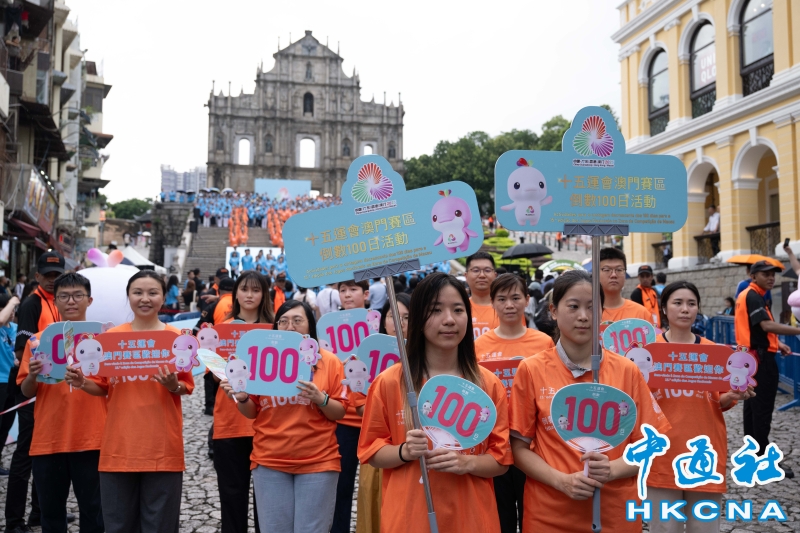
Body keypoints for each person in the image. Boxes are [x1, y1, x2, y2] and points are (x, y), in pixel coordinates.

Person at [509, 270, 670, 532]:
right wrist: (561, 481)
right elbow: (518, 448)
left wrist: (613, 469)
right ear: (553, 311)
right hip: (548, 514)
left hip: (614, 514)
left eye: (592, 307)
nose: (583, 316)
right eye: (573, 306)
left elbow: (652, 444)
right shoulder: (531, 369)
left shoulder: (627, 371)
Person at [358, 272, 512, 532]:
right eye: (436, 310)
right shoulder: (390, 382)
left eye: (458, 310)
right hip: (409, 518)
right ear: (418, 319)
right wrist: (404, 451)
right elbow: (370, 452)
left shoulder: (487, 384)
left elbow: (501, 460)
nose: (449, 319)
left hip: (472, 519)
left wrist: (468, 463)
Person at [65, 270, 194, 532]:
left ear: (163, 297)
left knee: (159, 526)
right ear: (128, 297)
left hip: (162, 447)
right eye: (138, 292)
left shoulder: (177, 339)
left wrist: (173, 385)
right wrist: (81, 382)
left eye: (152, 292)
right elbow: (102, 387)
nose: (145, 298)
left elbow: (185, 386)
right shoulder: (110, 340)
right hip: (118, 447)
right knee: (118, 525)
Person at [221, 300, 345, 532]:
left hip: (318, 460)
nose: (290, 327)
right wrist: (243, 398)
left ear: (310, 326)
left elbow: (340, 411)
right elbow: (252, 412)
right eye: (283, 321)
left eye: (298, 320)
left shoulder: (329, 362)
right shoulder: (260, 360)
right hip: (270, 460)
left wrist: (321, 399)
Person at [647, 281, 751, 533]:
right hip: (661, 457)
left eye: (691, 304)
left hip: (705, 455)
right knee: (664, 528)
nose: (685, 309)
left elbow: (719, 401)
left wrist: (734, 395)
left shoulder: (715, 353)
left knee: (704, 527)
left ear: (698, 309)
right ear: (664, 308)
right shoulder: (648, 353)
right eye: (678, 303)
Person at [18, 273, 106, 533]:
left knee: (94, 514)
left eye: (78, 295)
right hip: (49, 439)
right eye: (64, 296)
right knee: (51, 515)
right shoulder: (37, 341)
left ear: (89, 300)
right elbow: (25, 391)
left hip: (93, 438)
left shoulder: (103, 340)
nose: (71, 301)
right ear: (55, 301)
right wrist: (32, 375)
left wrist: (83, 382)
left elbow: (108, 388)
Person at [473, 274, 553, 533]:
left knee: (533, 513)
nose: (509, 305)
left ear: (527, 300)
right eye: (502, 299)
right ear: (492, 303)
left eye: (516, 297)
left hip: (532, 444)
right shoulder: (479, 346)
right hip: (494, 443)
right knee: (500, 515)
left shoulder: (543, 342)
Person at [7, 251, 65, 531]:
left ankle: (39, 513)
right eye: (48, 275)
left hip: (54, 387)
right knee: (26, 453)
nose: (53, 280)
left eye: (57, 275)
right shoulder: (32, 303)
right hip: (30, 386)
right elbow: (22, 351)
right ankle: (13, 520)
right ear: (37, 276)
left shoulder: (61, 301)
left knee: (49, 452)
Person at [212, 271, 272, 533]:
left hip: (268, 424)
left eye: (256, 290)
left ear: (264, 295)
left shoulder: (275, 330)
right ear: (235, 293)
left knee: (267, 503)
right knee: (232, 496)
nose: (250, 295)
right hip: (230, 423)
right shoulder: (221, 330)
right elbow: (215, 376)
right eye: (244, 289)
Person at [734, 260, 800, 476]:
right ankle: (764, 459)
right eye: (766, 274)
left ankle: (752, 452)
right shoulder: (754, 296)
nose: (771, 278)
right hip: (760, 360)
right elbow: (766, 325)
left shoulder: (749, 294)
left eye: (773, 274)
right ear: (753, 276)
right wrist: (797, 330)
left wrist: (777, 343)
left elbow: (756, 330)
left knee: (752, 407)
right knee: (761, 409)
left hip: (750, 358)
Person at [355, 292, 412, 533]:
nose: (399, 323)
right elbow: (360, 406)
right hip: (380, 446)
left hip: (415, 448)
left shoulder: (431, 357)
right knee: (375, 505)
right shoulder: (367, 355)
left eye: (407, 317)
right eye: (393, 316)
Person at [331, 279, 370, 533]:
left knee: (373, 489)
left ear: (365, 294)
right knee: (340, 487)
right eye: (343, 290)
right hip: (343, 419)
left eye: (353, 289)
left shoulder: (378, 325)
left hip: (372, 418)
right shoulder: (329, 328)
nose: (347, 295)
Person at [597, 248, 653, 326]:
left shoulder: (641, 314)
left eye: (619, 270)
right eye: (606, 270)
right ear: (596, 274)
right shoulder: (589, 314)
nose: (613, 275)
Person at [0, 294, 20, 471]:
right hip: (0, 382)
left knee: (6, 425)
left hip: (13, 382)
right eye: (8, 309)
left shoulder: (16, 328)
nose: (12, 312)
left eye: (14, 309)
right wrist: (12, 301)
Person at [465, 252, 499, 339]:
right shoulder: (460, 308)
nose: (482, 275)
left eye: (487, 270)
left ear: (495, 275)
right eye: (476, 270)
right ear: (466, 276)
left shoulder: (508, 308)